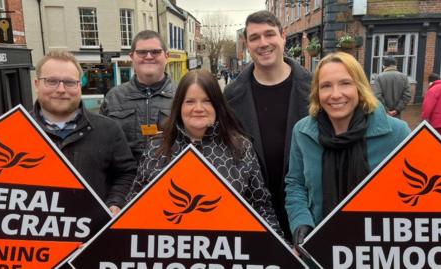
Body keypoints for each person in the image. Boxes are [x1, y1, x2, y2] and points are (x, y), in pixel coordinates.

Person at [127, 69, 283, 235]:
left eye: (207, 101)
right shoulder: (156, 148)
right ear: (179, 106)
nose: (198, 108)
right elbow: (134, 206)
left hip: (229, 252)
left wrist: (281, 248)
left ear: (217, 105)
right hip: (168, 253)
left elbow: (261, 207)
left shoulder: (241, 147)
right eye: (190, 102)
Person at [285, 52, 410, 250]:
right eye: (326, 86)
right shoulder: (302, 132)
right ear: (317, 92)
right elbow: (295, 184)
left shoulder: (397, 133)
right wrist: (301, 222)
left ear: (360, 87)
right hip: (320, 246)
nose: (335, 94)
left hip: (377, 249)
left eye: (345, 83)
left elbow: (410, 194)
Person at [224, 10, 311, 241]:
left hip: (308, 211)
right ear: (246, 44)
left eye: (269, 34)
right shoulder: (231, 95)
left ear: (283, 36)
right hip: (253, 212)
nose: (263, 43)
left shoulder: (315, 88)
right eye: (254, 38)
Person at [31, 50, 137, 215]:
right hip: (35, 234)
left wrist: (116, 202)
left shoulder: (109, 129)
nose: (60, 89)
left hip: (93, 233)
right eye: (51, 81)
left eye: (69, 82)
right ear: (37, 84)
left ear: (80, 86)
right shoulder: (13, 132)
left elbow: (126, 173)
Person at [100, 30, 176, 162]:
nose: (148, 56)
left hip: (168, 177)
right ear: (132, 57)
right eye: (141, 52)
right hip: (125, 178)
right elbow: (101, 144)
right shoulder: (114, 98)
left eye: (155, 52)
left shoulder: (182, 96)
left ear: (167, 56)